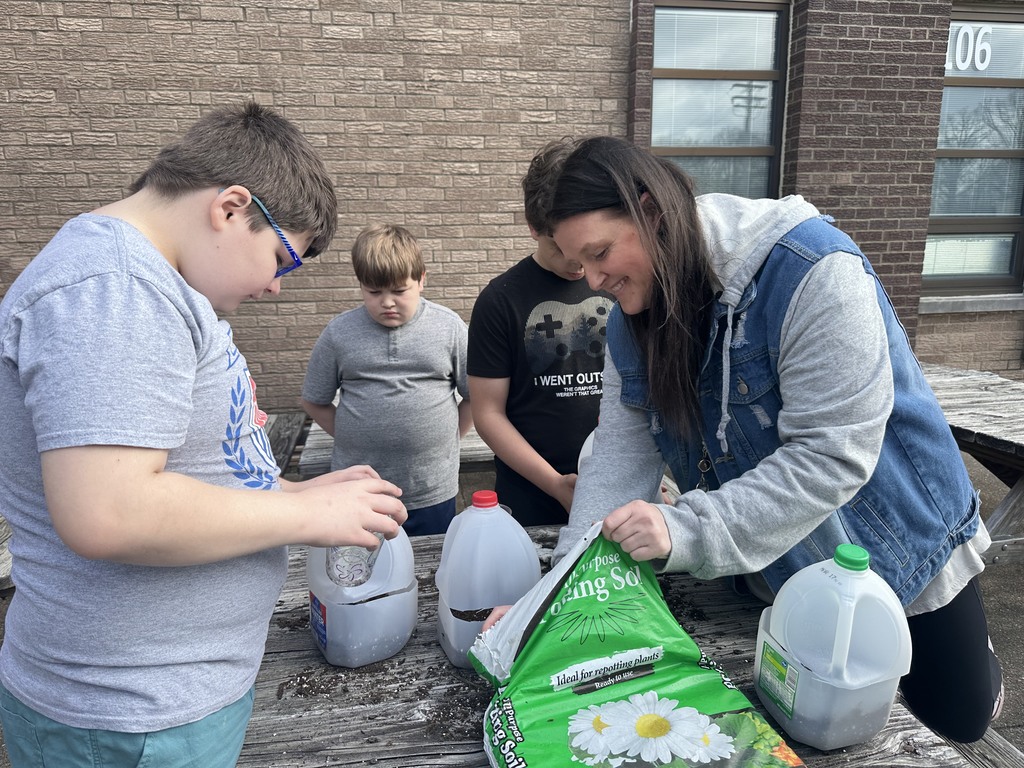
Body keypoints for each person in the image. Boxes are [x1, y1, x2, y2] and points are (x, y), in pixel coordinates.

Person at [540, 135, 1001, 743]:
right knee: (820, 725)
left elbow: (832, 456)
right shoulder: (634, 318)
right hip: (769, 559)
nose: (594, 281)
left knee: (954, 715)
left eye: (600, 254)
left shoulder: (812, 272)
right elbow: (619, 454)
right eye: (580, 266)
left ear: (652, 212)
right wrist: (550, 608)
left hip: (890, 546)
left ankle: (981, 667)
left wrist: (687, 529)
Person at [0, 101, 408, 767]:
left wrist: (294, 491)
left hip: (160, 708)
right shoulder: (116, 288)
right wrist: (298, 510)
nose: (276, 288)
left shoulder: (154, 284)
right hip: (126, 720)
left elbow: (192, 468)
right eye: (280, 258)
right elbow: (109, 512)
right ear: (229, 207)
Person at [468, 138, 613, 526]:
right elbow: (487, 413)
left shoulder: (617, 283)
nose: (576, 262)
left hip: (615, 483)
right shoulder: (500, 300)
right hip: (530, 495)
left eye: (589, 248)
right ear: (533, 227)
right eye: (559, 245)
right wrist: (555, 484)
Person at [301, 223, 472, 536]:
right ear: (361, 286)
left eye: (399, 290)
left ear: (421, 280)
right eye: (374, 292)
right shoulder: (340, 333)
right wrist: (350, 435)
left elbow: (476, 395)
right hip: (360, 490)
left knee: (431, 565)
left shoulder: (449, 329)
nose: (387, 302)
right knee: (363, 571)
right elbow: (315, 399)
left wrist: (450, 435)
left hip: (432, 487)